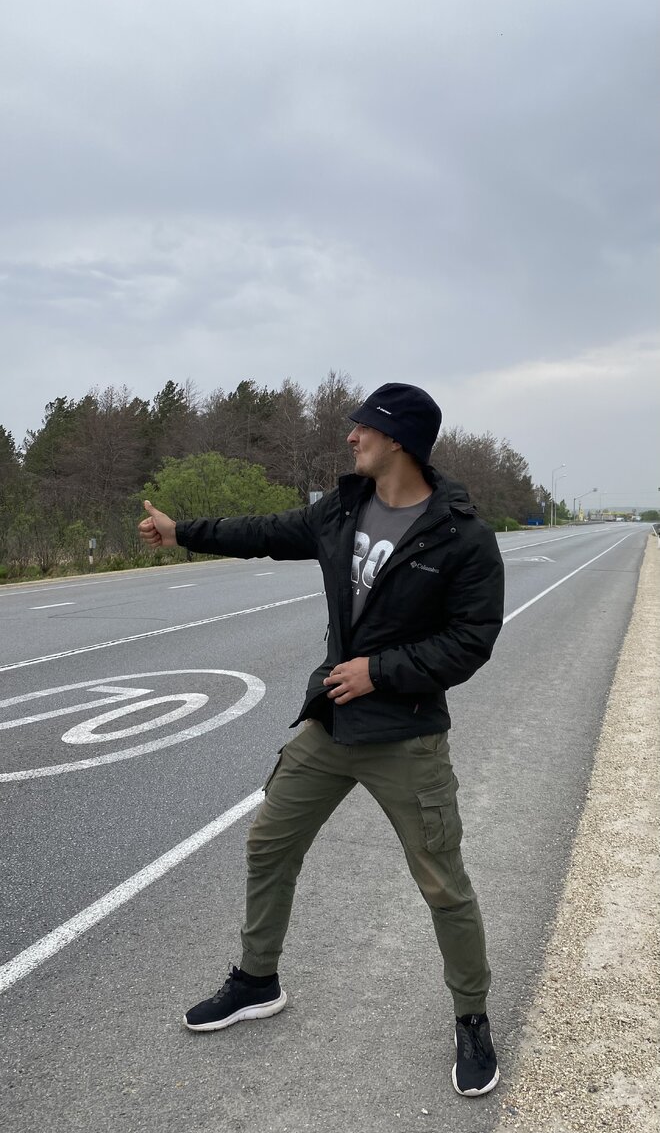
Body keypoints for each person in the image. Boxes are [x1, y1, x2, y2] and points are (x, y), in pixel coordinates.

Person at [138, 382, 504, 1096]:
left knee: (442, 884)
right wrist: (184, 533)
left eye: (363, 426)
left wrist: (380, 672)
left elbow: (471, 641)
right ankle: (257, 980)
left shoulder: (461, 535)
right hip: (332, 722)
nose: (350, 436)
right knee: (268, 843)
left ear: (399, 439)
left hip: (405, 736)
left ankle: (472, 1019)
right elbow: (266, 533)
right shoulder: (343, 508)